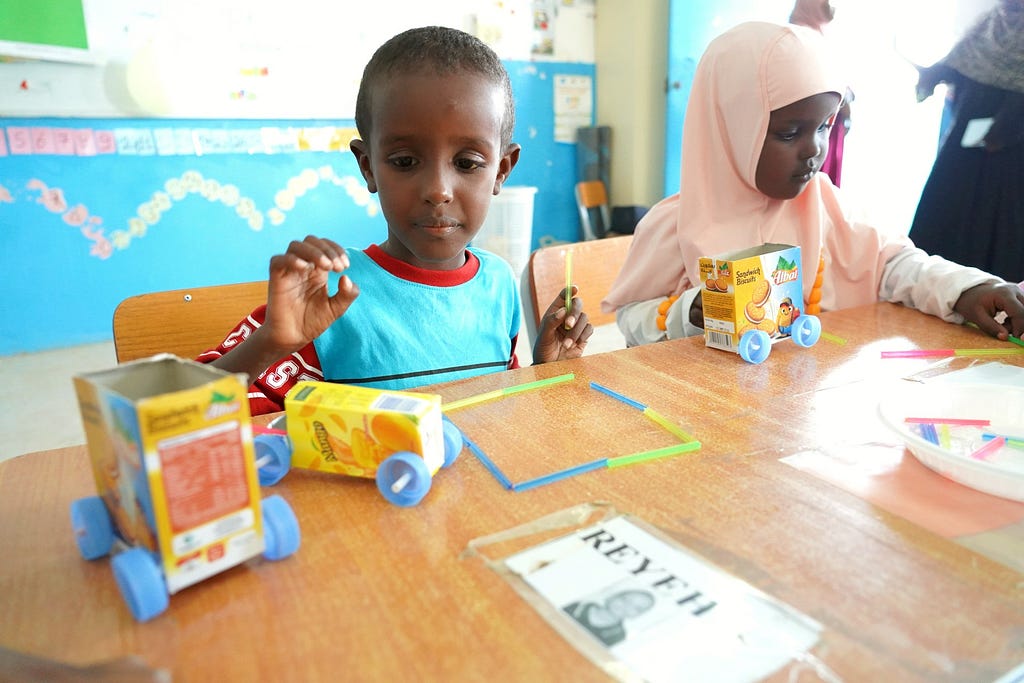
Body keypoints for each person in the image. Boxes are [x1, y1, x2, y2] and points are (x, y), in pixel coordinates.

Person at [199, 26, 593, 415]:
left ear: (502, 170)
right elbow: (179, 416)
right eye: (405, 161)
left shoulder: (498, 282)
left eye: (467, 163)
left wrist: (543, 375)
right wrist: (270, 343)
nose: (438, 190)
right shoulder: (326, 296)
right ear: (368, 167)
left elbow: (491, 409)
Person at [602, 21, 1024, 347]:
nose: (814, 150)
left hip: (802, 415)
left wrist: (968, 289)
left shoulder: (825, 206)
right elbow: (631, 318)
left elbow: (894, 267)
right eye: (789, 133)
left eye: (824, 127)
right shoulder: (676, 224)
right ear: (732, 128)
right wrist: (689, 312)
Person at [909, 0, 1024, 282]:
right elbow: (958, 62)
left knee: (1001, 226)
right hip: (964, 151)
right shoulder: (991, 21)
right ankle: (933, 287)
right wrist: (933, 74)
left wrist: (1008, 125)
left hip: (1010, 153)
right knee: (946, 213)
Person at [788, 0, 853, 187]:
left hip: (828, 125)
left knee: (822, 186)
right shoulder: (798, 36)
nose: (832, 6)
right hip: (813, 126)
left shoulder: (823, 35)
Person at [563, 589, 656, 647]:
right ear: (612, 596)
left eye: (637, 608)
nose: (627, 606)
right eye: (625, 599)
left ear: (637, 616)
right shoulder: (577, 606)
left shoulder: (617, 637)